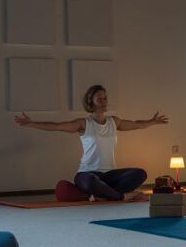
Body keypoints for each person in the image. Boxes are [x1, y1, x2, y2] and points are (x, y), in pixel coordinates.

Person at [14, 84, 168, 201]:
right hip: (87, 173)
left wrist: (152, 121)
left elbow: (137, 124)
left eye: (105, 98)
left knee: (140, 173)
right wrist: (31, 123)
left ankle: (104, 195)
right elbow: (57, 126)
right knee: (90, 182)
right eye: (99, 98)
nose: (104, 101)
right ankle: (122, 196)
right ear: (91, 102)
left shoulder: (114, 121)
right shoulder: (84, 124)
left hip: (109, 175)